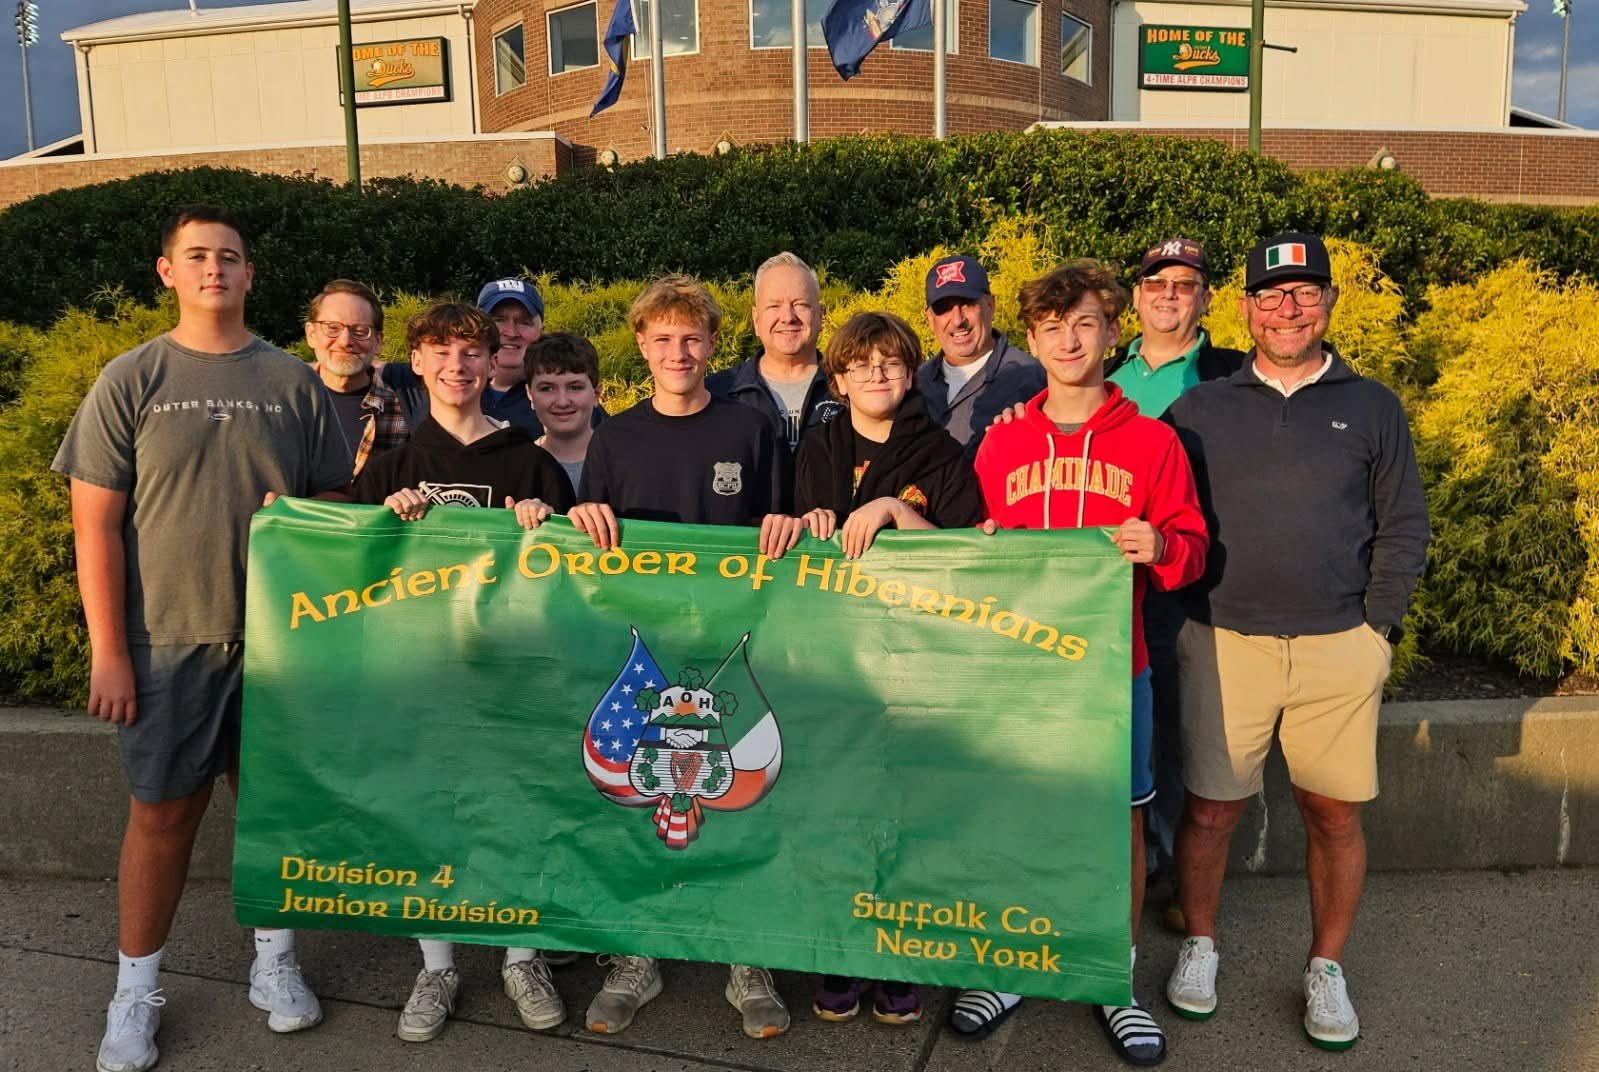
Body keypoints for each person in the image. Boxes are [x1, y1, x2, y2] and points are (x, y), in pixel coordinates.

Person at [53, 205, 353, 1072]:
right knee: (161, 816)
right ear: (168, 272)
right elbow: (96, 529)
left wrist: (297, 516)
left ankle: (274, 962)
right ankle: (134, 992)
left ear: (250, 274)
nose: (215, 268)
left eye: (229, 257)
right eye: (198, 257)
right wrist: (109, 651)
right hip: (166, 642)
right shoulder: (131, 377)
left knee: (267, 811)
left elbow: (331, 505)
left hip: (277, 643)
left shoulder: (295, 381)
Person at [1164, 232, 1428, 1051]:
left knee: (1333, 815)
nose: (1287, 308)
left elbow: (1403, 525)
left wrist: (1373, 630)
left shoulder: (1374, 405)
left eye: (1305, 293)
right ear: (1243, 308)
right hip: (1224, 642)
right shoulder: (1198, 409)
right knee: (1210, 811)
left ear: (1327, 304)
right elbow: (1168, 517)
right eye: (1271, 295)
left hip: (1336, 646)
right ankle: (1199, 944)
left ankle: (1324, 967)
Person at [964, 260, 1208, 1066]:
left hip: (1113, 667)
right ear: (1030, 340)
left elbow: (1192, 551)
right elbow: (974, 553)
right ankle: (1011, 962)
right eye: (1050, 327)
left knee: (1119, 821)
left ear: (1111, 331)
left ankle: (1112, 976)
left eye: (1083, 324)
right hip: (1019, 669)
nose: (1068, 341)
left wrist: (1162, 543)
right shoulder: (1001, 444)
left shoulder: (1153, 441)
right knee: (1015, 812)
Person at [568, 275, 790, 1042]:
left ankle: (744, 957)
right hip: (649, 653)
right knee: (643, 799)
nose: (678, 352)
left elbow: (781, 535)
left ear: (711, 345)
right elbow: (591, 547)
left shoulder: (748, 432)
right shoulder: (616, 438)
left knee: (737, 800)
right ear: (641, 346)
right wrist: (581, 515)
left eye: (691, 338)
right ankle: (639, 955)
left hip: (731, 649)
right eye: (662, 339)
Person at [349, 301, 576, 1043]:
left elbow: (579, 574)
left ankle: (520, 955)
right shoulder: (391, 469)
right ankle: (438, 964)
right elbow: (345, 572)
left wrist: (551, 524)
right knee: (429, 816)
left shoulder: (529, 460)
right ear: (415, 363)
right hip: (420, 677)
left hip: (509, 676)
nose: (456, 365)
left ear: (491, 364)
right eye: (439, 352)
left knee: (517, 808)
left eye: (470, 353)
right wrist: (383, 521)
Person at [757, 310, 984, 1026]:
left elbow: (963, 558)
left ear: (910, 370)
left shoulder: (942, 453)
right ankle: (841, 950)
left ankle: (900, 954)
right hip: (835, 655)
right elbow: (795, 532)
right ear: (840, 378)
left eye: (889, 362)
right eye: (860, 365)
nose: (876, 374)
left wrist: (893, 509)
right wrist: (803, 527)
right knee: (837, 809)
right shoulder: (820, 447)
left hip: (914, 653)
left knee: (905, 812)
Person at [1107, 239, 1247, 931]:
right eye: (1155, 282)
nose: (1168, 293)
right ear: (1134, 297)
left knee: (1174, 727)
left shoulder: (1233, 376)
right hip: (1105, 588)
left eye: (1184, 283)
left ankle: (1163, 869)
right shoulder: (1101, 372)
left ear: (1206, 297)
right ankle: (1125, 861)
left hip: (1188, 580)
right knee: (1125, 724)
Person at [707, 252, 843, 472]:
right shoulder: (717, 394)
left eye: (800, 304)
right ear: (756, 318)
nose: (788, 316)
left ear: (821, 315)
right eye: (774, 306)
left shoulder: (852, 390)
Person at [380, 277, 545, 434]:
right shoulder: (423, 379)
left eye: (525, 322)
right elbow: (362, 367)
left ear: (541, 331)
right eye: (499, 320)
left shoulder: (556, 395)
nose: (511, 332)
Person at [916, 254, 1044, 455]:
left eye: (967, 303)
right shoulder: (914, 384)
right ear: (930, 319)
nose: (957, 320)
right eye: (944, 308)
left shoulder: (1031, 379)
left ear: (990, 306)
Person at [303, 278, 406, 477]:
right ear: (311, 334)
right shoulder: (285, 403)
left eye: (360, 331)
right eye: (332, 328)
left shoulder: (404, 409)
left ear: (378, 342)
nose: (345, 341)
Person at [525, 332, 603, 495]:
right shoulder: (518, 467)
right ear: (530, 394)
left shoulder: (624, 463)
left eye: (575, 387)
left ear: (596, 393)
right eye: (547, 388)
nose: (562, 402)